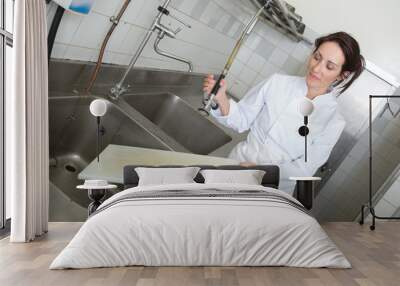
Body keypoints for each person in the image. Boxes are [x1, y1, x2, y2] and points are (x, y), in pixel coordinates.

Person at [203, 31, 365, 195]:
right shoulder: (277, 82)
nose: (316, 68)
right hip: (236, 166)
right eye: (317, 57)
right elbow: (242, 119)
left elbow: (305, 168)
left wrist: (262, 171)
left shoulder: (334, 121)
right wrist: (221, 98)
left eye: (329, 66)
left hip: (272, 187)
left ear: (342, 75)